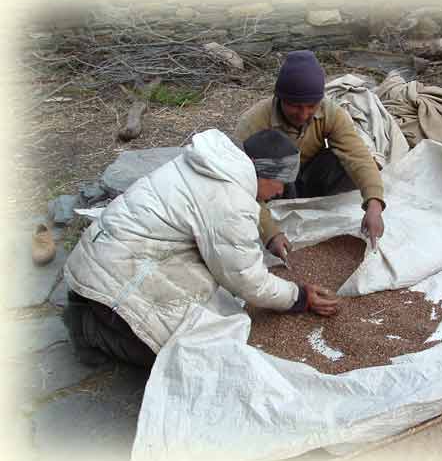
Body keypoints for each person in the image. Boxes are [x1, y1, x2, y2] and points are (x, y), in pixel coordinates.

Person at [62, 128, 339, 368]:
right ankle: (90, 326)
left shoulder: (210, 164)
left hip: (105, 255)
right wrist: (299, 296)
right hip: (116, 273)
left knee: (206, 294)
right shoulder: (230, 201)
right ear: (261, 173)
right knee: (185, 356)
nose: (280, 191)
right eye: (280, 182)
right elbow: (246, 279)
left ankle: (93, 307)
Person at [235, 50, 386, 261]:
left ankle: (312, 208)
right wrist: (269, 232)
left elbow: (358, 156)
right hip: (272, 186)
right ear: (280, 98)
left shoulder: (330, 112)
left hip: (309, 177)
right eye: (295, 106)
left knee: (344, 163)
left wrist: (374, 204)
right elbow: (238, 186)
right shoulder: (253, 123)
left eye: (311, 106)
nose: (304, 114)